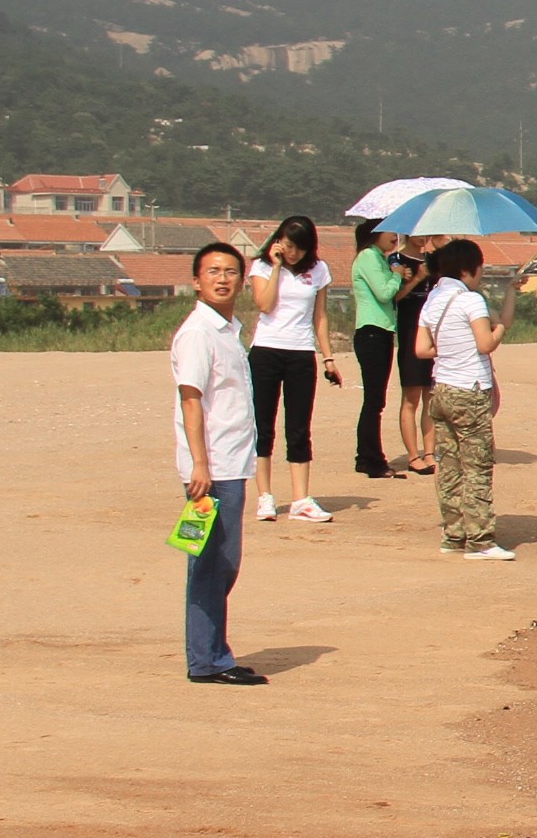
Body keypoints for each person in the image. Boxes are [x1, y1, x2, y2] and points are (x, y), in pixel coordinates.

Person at [169, 241, 263, 685]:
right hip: (212, 470)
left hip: (233, 461)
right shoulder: (198, 333)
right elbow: (192, 400)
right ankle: (207, 660)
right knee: (210, 563)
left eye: (230, 271)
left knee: (222, 564)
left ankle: (212, 652)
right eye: (213, 271)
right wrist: (199, 466)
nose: (222, 279)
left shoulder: (228, 330)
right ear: (196, 280)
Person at [412, 238, 513, 559]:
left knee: (450, 465)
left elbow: (422, 349)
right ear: (470, 269)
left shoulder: (433, 300)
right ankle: (481, 539)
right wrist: (499, 331)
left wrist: (452, 348)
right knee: (477, 464)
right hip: (469, 389)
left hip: (441, 388)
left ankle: (454, 533)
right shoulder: (470, 301)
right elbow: (485, 344)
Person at [245, 215, 343, 525]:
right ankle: (265, 496)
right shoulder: (261, 266)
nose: (293, 254)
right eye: (288, 246)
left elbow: (321, 317)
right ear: (278, 241)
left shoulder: (318, 270)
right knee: (263, 425)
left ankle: (301, 499)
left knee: (299, 427)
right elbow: (264, 304)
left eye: (299, 249)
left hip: (301, 353)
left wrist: (328, 357)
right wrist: (276, 267)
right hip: (266, 351)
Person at [347, 219, 402, 478]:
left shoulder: (381, 258)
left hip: (381, 332)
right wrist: (398, 275)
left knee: (375, 400)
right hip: (371, 332)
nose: (395, 236)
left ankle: (364, 456)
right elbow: (383, 293)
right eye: (390, 230)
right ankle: (373, 460)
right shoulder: (368, 256)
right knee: (373, 401)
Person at [390, 237, 439, 473]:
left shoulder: (432, 259)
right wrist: (417, 278)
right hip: (409, 328)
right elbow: (394, 297)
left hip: (432, 330)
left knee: (431, 395)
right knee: (411, 395)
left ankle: (429, 451)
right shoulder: (396, 260)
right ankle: (412, 455)